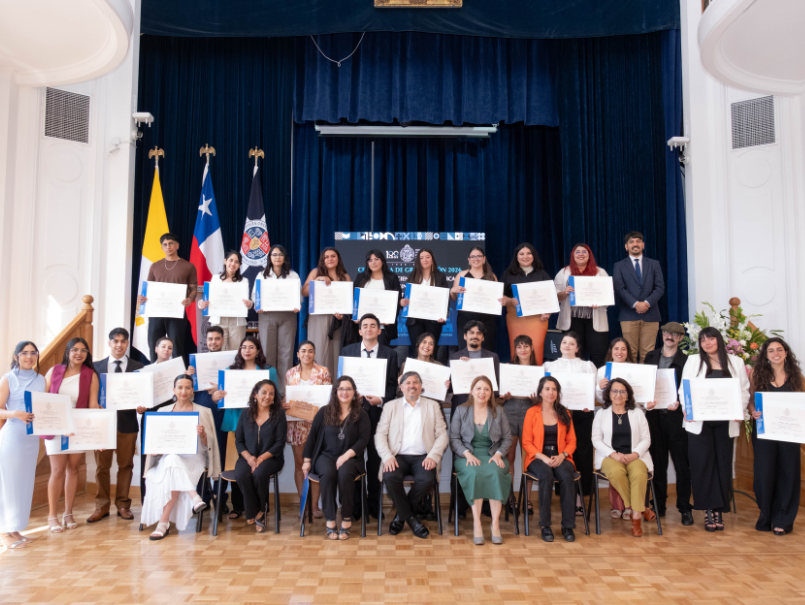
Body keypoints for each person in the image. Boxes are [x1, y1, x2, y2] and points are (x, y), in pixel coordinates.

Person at [678, 327, 750, 532]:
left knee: (722, 465)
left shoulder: (736, 362)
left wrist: (740, 409)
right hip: (700, 422)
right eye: (703, 340)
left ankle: (719, 510)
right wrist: (687, 408)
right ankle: (708, 509)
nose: (707, 343)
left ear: (719, 340)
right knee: (702, 465)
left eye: (711, 339)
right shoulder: (693, 361)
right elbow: (684, 388)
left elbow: (744, 390)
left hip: (726, 422)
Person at [141, 375, 221, 540]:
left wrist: (203, 435)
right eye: (180, 387)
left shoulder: (203, 411)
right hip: (168, 460)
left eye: (187, 387)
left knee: (172, 463)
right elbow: (156, 441)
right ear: (174, 390)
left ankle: (163, 523)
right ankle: (194, 497)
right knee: (171, 459)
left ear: (192, 391)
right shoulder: (162, 411)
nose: (183, 391)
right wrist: (154, 449)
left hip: (194, 458)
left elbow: (210, 445)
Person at [210, 336, 278, 520]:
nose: (247, 350)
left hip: (262, 424)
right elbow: (220, 401)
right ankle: (238, 506)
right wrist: (216, 398)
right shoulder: (229, 372)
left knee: (260, 467)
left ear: (258, 350)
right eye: (244, 347)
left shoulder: (269, 371)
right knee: (237, 466)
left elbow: (276, 397)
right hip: (235, 421)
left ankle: (261, 506)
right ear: (239, 350)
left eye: (251, 347)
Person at [375, 371, 449, 539]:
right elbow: (380, 435)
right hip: (397, 456)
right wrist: (387, 457)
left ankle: (400, 517)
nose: (412, 385)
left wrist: (433, 456)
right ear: (401, 387)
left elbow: (442, 435)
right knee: (390, 477)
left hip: (424, 456)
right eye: (407, 383)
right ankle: (412, 521)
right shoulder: (390, 406)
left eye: (415, 382)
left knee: (427, 479)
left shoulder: (433, 406)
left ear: (421, 387)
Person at [340, 313, 400, 520]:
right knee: (354, 459)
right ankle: (356, 506)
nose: (368, 329)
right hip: (352, 414)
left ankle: (374, 505)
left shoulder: (390, 354)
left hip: (377, 414)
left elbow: (392, 387)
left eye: (373, 325)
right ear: (359, 330)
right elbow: (341, 384)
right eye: (364, 325)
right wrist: (349, 396)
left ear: (379, 330)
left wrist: (380, 400)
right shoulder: (347, 352)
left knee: (375, 461)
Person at [302, 376, 371, 540]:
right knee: (327, 474)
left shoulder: (361, 414)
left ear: (354, 392)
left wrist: (346, 456)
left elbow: (364, 440)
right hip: (325, 455)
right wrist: (307, 460)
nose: (344, 392)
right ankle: (330, 519)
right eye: (341, 389)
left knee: (345, 474)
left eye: (348, 389)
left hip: (351, 458)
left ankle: (346, 519)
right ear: (335, 391)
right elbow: (312, 437)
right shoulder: (324, 411)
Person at [88, 328, 144, 524]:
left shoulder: (138, 367)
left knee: (126, 466)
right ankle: (101, 506)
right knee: (102, 467)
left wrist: (142, 405)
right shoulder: (96, 367)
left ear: (127, 343)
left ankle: (123, 505)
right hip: (102, 424)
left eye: (123, 341)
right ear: (109, 343)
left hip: (127, 424)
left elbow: (142, 395)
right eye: (116, 341)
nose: (119, 345)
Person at [44, 337, 100, 533]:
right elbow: (43, 398)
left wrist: (99, 434)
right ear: (68, 352)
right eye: (75, 349)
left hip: (78, 427)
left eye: (83, 350)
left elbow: (93, 405)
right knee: (57, 471)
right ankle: (52, 516)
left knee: (74, 469)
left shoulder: (91, 374)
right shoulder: (54, 371)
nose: (79, 353)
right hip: (55, 426)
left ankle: (68, 513)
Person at [749, 337, 804, 535]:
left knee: (788, 474)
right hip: (764, 431)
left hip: (789, 433)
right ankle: (766, 515)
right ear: (766, 355)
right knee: (764, 474)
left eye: (779, 349)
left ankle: (783, 519)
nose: (776, 353)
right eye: (771, 350)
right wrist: (753, 411)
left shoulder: (796, 376)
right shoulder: (756, 374)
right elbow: (750, 400)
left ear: (786, 353)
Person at [450, 376, 512, 545]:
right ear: (471, 391)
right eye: (478, 388)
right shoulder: (461, 410)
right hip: (467, 456)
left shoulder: (498, 411)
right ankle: (477, 524)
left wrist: (498, 454)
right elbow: (454, 438)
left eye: (486, 389)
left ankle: (495, 524)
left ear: (491, 393)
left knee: (496, 473)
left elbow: (507, 439)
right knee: (475, 473)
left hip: (493, 455)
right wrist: (466, 454)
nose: (482, 392)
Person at [448, 320, 501, 518]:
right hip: (461, 411)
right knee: (461, 455)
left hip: (486, 413)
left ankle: (486, 504)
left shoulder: (492, 357)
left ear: (483, 337)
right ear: (465, 336)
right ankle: (459, 505)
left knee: (486, 454)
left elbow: (496, 387)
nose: (475, 336)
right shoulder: (454, 357)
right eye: (471, 332)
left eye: (479, 333)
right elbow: (449, 387)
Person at [644, 322, 693, 525]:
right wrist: (646, 401)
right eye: (666, 332)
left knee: (682, 467)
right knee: (658, 465)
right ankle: (658, 505)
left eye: (674, 334)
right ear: (662, 334)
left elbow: (689, 389)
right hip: (654, 419)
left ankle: (684, 508)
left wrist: (680, 403)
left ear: (681, 338)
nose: (669, 336)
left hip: (676, 419)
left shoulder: (687, 361)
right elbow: (644, 385)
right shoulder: (650, 357)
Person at [592, 378, 655, 537]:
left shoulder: (637, 413)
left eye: (622, 391)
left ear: (628, 395)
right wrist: (613, 454)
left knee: (638, 474)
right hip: (610, 456)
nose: (618, 394)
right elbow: (596, 440)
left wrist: (634, 454)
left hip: (636, 456)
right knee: (616, 473)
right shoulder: (601, 414)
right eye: (614, 391)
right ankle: (640, 510)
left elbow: (646, 439)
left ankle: (636, 518)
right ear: (609, 394)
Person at [543, 332, 596, 514]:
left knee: (582, 455)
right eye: (564, 342)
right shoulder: (549, 366)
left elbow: (594, 391)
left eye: (571, 343)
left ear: (577, 347)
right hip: (557, 415)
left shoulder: (587, 366)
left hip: (582, 415)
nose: (567, 345)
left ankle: (580, 499)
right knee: (561, 455)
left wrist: (590, 401)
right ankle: (566, 499)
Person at [0, 342, 45, 550]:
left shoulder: (41, 379)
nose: (29, 356)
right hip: (13, 436)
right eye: (25, 353)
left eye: (33, 353)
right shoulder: (8, 378)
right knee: (9, 484)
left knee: (23, 484)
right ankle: (5, 532)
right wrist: (15, 413)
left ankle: (15, 529)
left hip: (31, 439)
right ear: (16, 356)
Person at [521, 376, 578, 542]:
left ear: (558, 393)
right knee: (545, 475)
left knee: (566, 475)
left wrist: (563, 455)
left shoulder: (565, 413)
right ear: (540, 392)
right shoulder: (531, 412)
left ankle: (568, 526)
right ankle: (545, 525)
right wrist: (544, 458)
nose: (551, 392)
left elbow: (572, 441)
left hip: (561, 455)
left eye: (554, 389)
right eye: (547, 389)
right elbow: (526, 442)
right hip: (538, 457)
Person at [283, 340, 331, 519]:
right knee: (299, 465)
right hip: (296, 425)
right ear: (298, 354)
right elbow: (287, 397)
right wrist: (285, 405)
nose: (307, 354)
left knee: (315, 466)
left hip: (317, 426)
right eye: (303, 351)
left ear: (315, 354)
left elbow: (328, 399)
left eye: (310, 351)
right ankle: (304, 504)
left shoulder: (323, 372)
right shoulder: (290, 373)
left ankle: (315, 506)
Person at [234, 379, 286, 533]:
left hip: (271, 458)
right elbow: (239, 440)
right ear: (255, 395)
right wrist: (249, 458)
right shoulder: (245, 413)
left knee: (259, 474)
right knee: (241, 475)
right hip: (247, 457)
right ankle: (258, 511)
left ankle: (257, 512)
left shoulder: (279, 414)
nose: (267, 396)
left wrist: (261, 458)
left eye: (271, 393)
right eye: (264, 392)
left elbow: (280, 443)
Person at [138, 233, 198, 365]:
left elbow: (193, 289)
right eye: (165, 244)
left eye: (171, 243)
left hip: (177, 313)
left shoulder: (188, 266)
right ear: (162, 248)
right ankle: (155, 374)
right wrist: (142, 298)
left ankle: (179, 376)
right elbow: (148, 289)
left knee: (177, 347)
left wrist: (189, 299)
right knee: (154, 346)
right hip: (156, 313)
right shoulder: (155, 266)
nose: (168, 246)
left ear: (177, 245)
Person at [185, 326, 228, 510]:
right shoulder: (196, 364)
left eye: (217, 339)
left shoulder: (231, 363)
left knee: (222, 456)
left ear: (223, 340)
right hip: (201, 413)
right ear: (206, 341)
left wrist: (222, 386)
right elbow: (186, 391)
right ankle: (203, 496)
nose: (213, 342)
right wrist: (189, 377)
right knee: (200, 455)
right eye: (210, 339)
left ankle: (221, 499)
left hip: (221, 415)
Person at [251, 245, 301, 392]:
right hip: (267, 315)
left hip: (288, 316)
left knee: (286, 353)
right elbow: (255, 295)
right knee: (267, 353)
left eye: (280, 254)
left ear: (284, 257)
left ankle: (283, 392)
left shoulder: (293, 276)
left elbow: (298, 297)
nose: (277, 257)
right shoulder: (262, 275)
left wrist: (297, 304)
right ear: (270, 258)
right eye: (274, 254)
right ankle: (267, 390)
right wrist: (258, 304)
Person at [498, 334, 538, 514]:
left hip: (531, 410)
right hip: (510, 410)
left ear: (531, 348)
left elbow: (545, 398)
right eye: (519, 347)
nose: (523, 350)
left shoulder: (539, 371)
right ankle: (510, 497)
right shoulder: (507, 369)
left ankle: (527, 499)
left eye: (526, 346)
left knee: (529, 456)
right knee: (510, 456)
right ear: (515, 350)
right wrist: (504, 397)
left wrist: (537, 399)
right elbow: (498, 398)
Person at [612, 232, 665, 363]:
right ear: (626, 246)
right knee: (630, 353)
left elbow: (660, 287)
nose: (635, 244)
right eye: (631, 242)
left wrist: (647, 303)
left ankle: (646, 378)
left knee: (648, 353)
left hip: (651, 314)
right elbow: (619, 289)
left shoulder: (654, 264)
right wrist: (636, 304)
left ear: (643, 245)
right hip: (628, 315)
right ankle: (630, 378)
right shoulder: (619, 265)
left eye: (638, 241)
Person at [554, 243, 609, 368]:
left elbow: (608, 295)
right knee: (575, 354)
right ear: (573, 255)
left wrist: (600, 302)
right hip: (572, 319)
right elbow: (555, 297)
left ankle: (598, 380)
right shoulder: (563, 273)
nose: (581, 254)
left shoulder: (600, 272)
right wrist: (564, 293)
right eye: (577, 252)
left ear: (589, 255)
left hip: (594, 319)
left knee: (599, 354)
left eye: (584, 252)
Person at [302, 247, 351, 378]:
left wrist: (343, 315)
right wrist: (316, 281)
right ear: (322, 260)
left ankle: (336, 384)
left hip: (336, 319)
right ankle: (318, 381)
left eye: (333, 256)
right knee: (318, 349)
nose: (330, 259)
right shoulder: (315, 272)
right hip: (318, 317)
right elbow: (304, 291)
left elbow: (348, 299)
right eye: (326, 257)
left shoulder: (345, 277)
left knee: (336, 351)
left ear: (338, 258)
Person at [500, 243, 553, 364]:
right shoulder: (508, 274)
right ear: (516, 256)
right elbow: (500, 296)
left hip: (537, 320)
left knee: (536, 348)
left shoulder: (542, 274)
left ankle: (536, 374)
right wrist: (509, 301)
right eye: (521, 254)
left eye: (529, 253)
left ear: (534, 256)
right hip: (515, 319)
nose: (525, 256)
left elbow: (551, 297)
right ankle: (518, 375)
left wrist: (548, 312)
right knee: (518, 349)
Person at [345, 249, 402, 348]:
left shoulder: (392, 277)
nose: (373, 262)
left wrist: (390, 319)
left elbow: (396, 301)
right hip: (363, 326)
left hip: (382, 326)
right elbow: (354, 299)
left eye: (376, 259)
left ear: (382, 261)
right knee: (363, 353)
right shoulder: (361, 277)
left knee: (381, 354)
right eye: (370, 260)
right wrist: (355, 316)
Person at [450, 247, 504, 351]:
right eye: (473, 256)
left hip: (487, 321)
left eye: (479, 256)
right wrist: (452, 291)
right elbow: (454, 298)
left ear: (484, 258)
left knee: (486, 352)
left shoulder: (491, 276)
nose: (476, 259)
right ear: (469, 259)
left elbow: (497, 299)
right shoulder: (461, 275)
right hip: (465, 320)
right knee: (466, 351)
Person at [197, 250, 250, 350]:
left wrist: (249, 304)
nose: (233, 264)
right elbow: (207, 299)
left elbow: (247, 302)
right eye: (231, 260)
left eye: (236, 262)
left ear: (239, 265)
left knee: (236, 351)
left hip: (237, 321)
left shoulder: (243, 281)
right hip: (219, 320)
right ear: (225, 261)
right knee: (217, 350)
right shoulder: (215, 279)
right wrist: (201, 304)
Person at [401, 248, 449, 356]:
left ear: (432, 259)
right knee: (416, 349)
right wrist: (403, 302)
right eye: (421, 258)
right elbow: (406, 298)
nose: (425, 260)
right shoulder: (413, 276)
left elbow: (445, 298)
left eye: (427, 257)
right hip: (415, 320)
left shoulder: (440, 276)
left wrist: (444, 314)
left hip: (434, 319)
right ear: (418, 261)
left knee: (431, 350)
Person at [595, 337, 633, 405]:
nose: (619, 352)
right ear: (611, 351)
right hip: (610, 408)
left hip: (630, 408)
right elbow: (601, 400)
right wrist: (599, 388)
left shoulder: (635, 370)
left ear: (628, 352)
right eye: (616, 349)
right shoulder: (603, 370)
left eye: (623, 349)